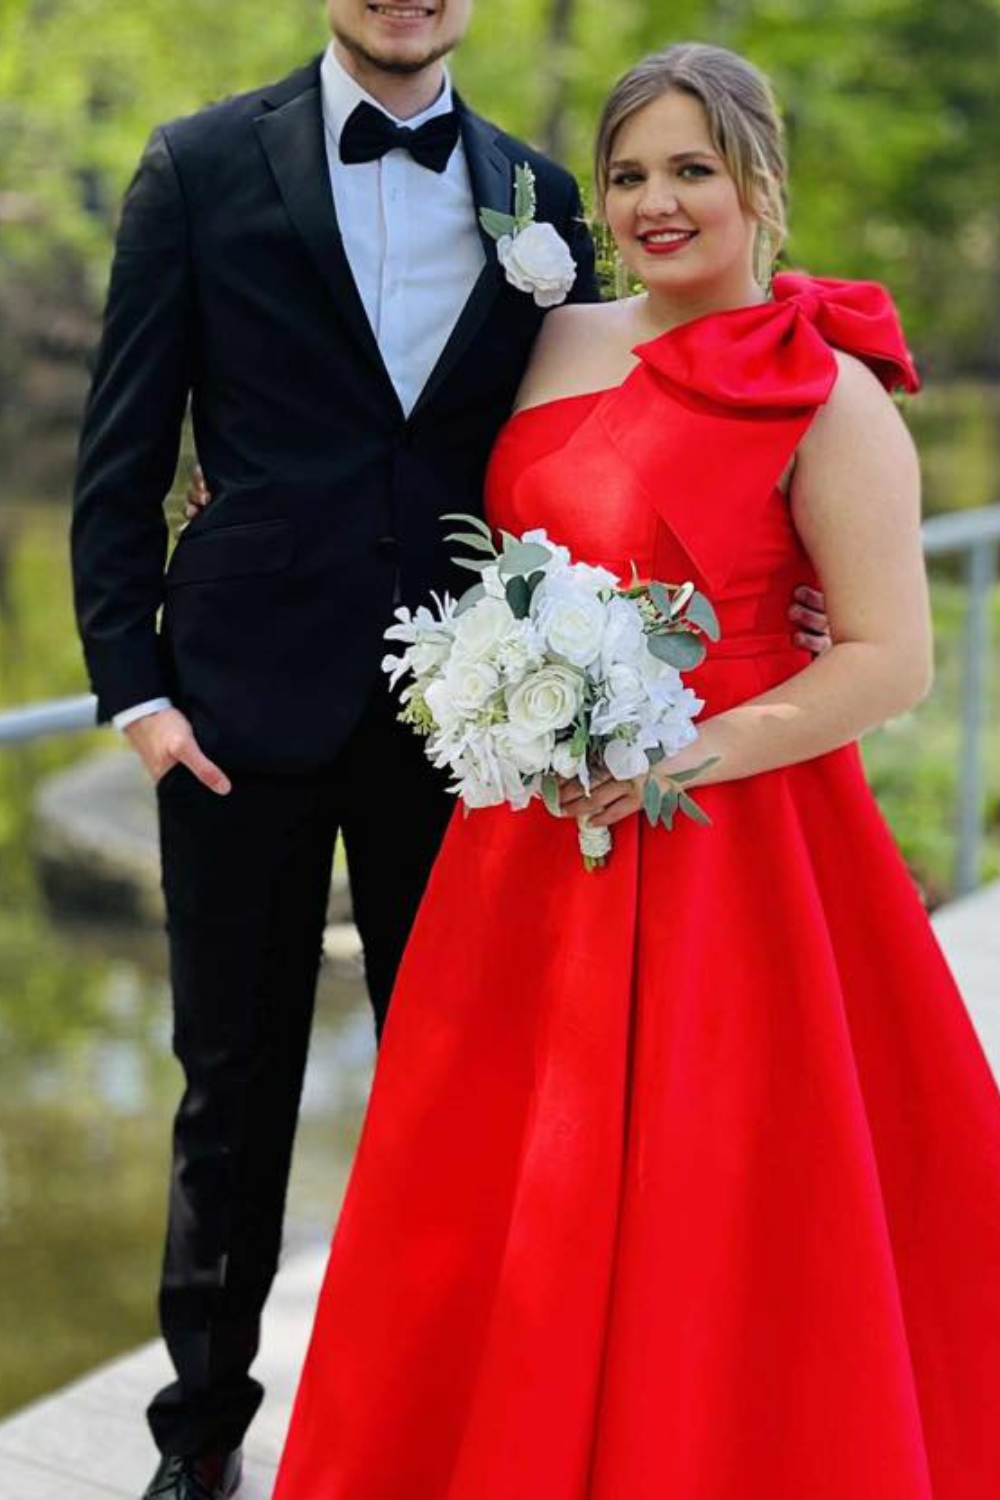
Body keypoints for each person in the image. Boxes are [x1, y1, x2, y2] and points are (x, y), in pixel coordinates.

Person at [70, 4, 826, 1496]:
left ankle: (454, 1410)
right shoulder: (196, 166)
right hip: (237, 712)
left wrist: (785, 564)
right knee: (231, 1088)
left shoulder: (544, 192)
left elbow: (628, 421)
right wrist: (136, 697)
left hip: (478, 726)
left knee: (474, 1088)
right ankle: (200, 1438)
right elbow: (122, 451)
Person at [269, 41, 1000, 1500]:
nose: (657, 201)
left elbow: (890, 659)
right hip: (527, 845)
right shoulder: (548, 340)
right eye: (628, 174)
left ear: (760, 183)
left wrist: (684, 751)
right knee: (492, 1199)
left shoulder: (829, 392)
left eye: (692, 170)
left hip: (735, 847)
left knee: (710, 1193)